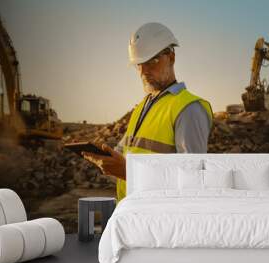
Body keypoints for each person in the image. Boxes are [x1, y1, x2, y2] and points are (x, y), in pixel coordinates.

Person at [83, 22, 213, 202]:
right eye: (139, 64)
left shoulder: (188, 108)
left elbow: (192, 180)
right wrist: (106, 156)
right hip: (132, 213)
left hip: (159, 220)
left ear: (171, 57)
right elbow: (127, 153)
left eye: (152, 61)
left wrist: (129, 172)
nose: (144, 71)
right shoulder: (141, 107)